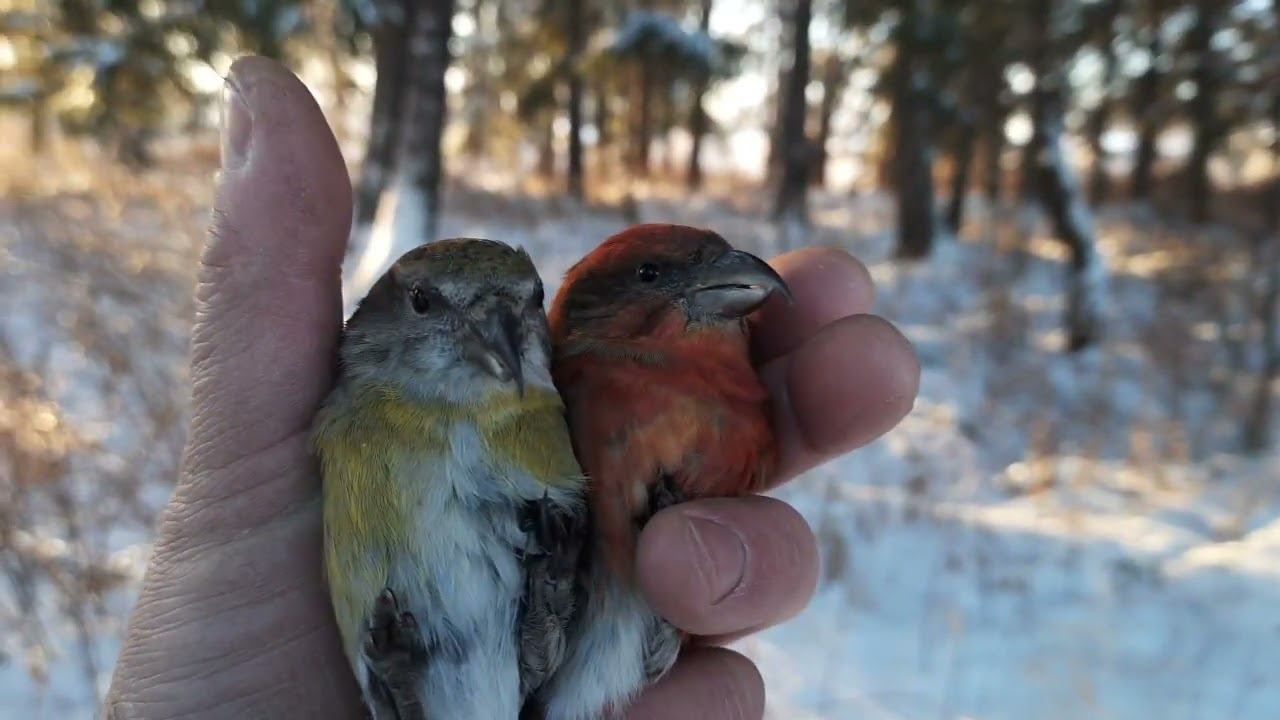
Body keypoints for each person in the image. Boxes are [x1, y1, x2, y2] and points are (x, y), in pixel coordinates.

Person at [103, 57, 919, 719]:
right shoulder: (356, 413)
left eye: (517, 315)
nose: (493, 340)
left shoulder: (549, 405)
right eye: (433, 308)